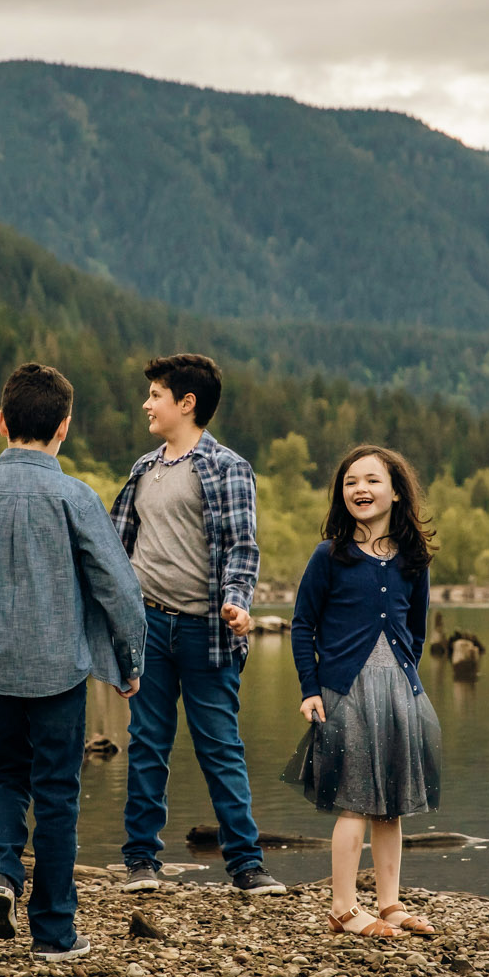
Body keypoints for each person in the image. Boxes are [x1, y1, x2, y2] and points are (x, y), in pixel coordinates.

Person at [0, 363, 147, 962]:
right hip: (59, 668)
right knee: (58, 793)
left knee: (6, 775)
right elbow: (121, 590)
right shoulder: (76, 496)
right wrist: (129, 662)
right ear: (64, 427)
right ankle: (54, 933)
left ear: (1, 422)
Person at [108, 354, 284, 895]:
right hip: (148, 630)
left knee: (220, 746)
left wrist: (236, 601)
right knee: (146, 744)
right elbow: (117, 549)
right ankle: (141, 861)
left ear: (186, 404)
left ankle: (246, 866)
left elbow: (241, 547)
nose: (147, 404)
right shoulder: (142, 470)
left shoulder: (227, 467)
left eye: (156, 394)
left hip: (208, 631)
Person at [284, 444, 442, 938]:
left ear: (395, 492)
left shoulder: (413, 559)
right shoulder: (329, 556)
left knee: (391, 806)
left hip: (398, 693)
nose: (361, 489)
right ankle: (344, 907)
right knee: (354, 802)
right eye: (351, 482)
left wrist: (400, 683)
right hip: (343, 693)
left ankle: (390, 903)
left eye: (372, 480)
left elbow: (416, 630)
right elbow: (301, 625)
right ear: (341, 494)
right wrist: (311, 688)